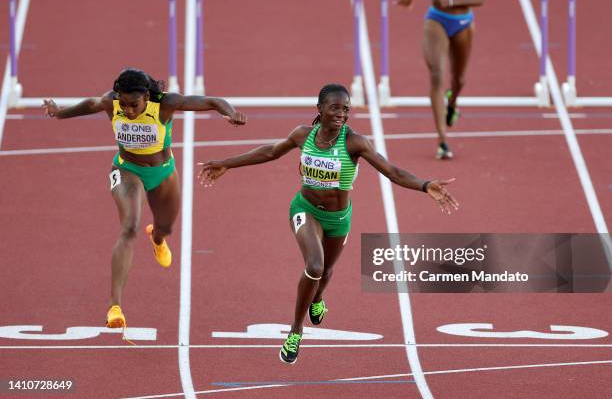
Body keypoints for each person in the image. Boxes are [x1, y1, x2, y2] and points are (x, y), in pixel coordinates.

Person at [198, 84, 458, 364]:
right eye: (335, 107)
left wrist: (425, 185)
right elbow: (270, 152)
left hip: (338, 219)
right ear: (319, 108)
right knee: (314, 265)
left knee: (325, 272)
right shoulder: (303, 135)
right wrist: (227, 163)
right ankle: (296, 331)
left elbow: (392, 171)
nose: (341, 114)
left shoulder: (355, 142)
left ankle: (318, 297)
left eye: (345, 109)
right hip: (305, 209)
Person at [42, 68, 247, 330]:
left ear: (147, 97)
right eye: (123, 103)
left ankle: (157, 238)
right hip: (127, 170)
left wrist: (229, 112)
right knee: (129, 228)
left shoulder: (165, 104)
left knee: (166, 226)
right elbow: (91, 104)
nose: (127, 110)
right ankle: (114, 306)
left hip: (162, 173)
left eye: (133, 104)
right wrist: (59, 111)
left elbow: (211, 101)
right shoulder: (112, 102)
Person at [398, 0, 486, 160]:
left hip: (463, 22)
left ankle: (451, 103)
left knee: (459, 80)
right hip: (437, 19)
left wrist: (451, 0)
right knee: (437, 75)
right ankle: (442, 140)